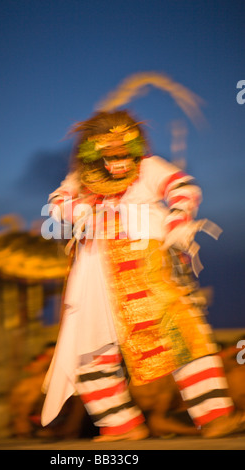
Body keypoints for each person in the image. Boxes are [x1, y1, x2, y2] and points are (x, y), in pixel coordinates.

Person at [41, 110, 245, 440]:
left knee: (183, 337)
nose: (120, 162)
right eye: (111, 155)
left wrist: (178, 222)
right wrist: (75, 210)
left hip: (147, 267)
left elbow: (183, 188)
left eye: (125, 154)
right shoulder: (82, 178)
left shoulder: (149, 167)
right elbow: (57, 201)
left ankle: (216, 416)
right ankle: (120, 425)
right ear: (95, 154)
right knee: (89, 352)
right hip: (95, 277)